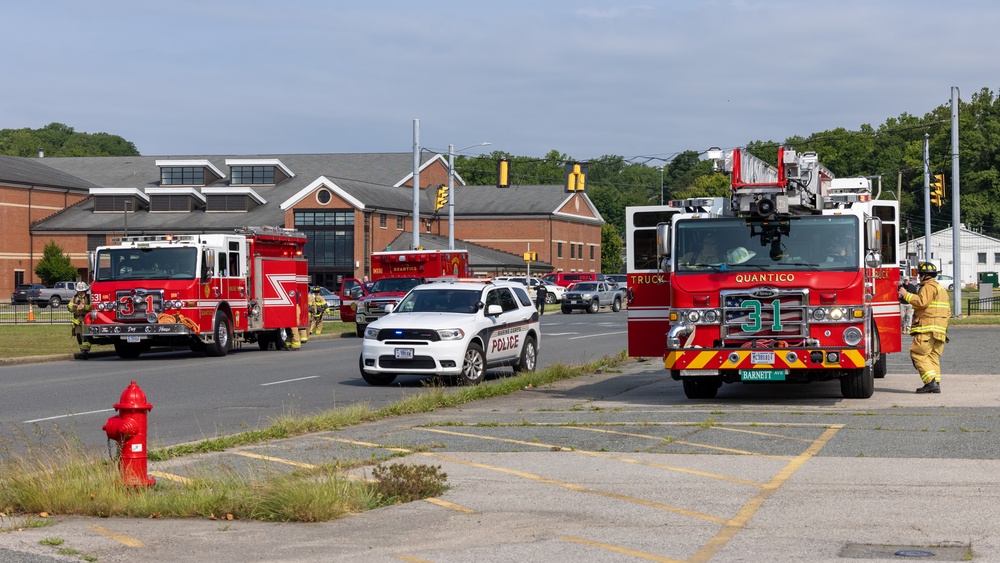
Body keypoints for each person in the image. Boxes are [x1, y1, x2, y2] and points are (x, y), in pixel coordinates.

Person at [898, 262, 950, 393]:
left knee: (918, 354)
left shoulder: (928, 287)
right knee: (931, 356)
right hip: (938, 330)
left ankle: (930, 382)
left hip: (927, 328)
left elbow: (921, 302)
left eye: (920, 274)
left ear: (925, 276)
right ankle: (935, 383)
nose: (918, 277)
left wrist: (906, 294)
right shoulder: (940, 289)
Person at [67, 282, 92, 360]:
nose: (80, 292)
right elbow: (69, 307)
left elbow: (93, 307)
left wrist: (84, 307)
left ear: (85, 290)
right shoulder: (74, 298)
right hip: (77, 320)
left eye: (82, 291)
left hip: (86, 319)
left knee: (86, 336)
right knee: (79, 336)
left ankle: (85, 351)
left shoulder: (88, 297)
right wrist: (73, 306)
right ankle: (82, 350)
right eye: (79, 291)